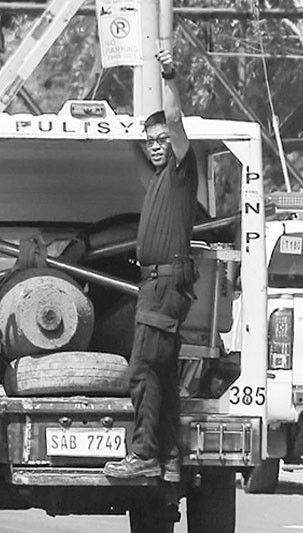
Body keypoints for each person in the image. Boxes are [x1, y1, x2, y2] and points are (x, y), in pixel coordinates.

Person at [103, 49, 198, 483]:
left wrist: (170, 76)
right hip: (158, 285)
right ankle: (171, 458)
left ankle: (143, 454)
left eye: (161, 140)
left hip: (165, 286)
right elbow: (136, 152)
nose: (157, 146)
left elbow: (177, 121)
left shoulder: (181, 170)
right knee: (161, 371)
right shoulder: (158, 179)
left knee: (141, 370)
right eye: (150, 141)